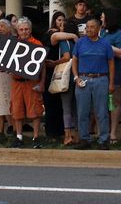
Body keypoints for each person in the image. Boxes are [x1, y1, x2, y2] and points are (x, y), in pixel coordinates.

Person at [70, 17, 114, 150]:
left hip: (101, 79)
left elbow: (111, 64)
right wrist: (76, 77)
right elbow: (74, 60)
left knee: (101, 111)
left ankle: (104, 139)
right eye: (87, 27)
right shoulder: (80, 43)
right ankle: (84, 139)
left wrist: (111, 83)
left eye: (92, 27)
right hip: (83, 78)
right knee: (82, 111)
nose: (88, 29)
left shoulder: (105, 44)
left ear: (99, 28)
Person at [8, 17, 45, 148]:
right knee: (17, 109)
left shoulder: (37, 44)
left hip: (31, 81)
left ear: (30, 30)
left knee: (35, 110)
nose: (24, 32)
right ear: (17, 30)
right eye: (21, 29)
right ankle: (19, 137)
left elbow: (42, 66)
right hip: (16, 82)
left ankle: (36, 138)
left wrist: (42, 83)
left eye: (26, 29)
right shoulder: (12, 44)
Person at [46, 11, 77, 146]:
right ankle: (78, 134)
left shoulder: (64, 42)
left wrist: (54, 63)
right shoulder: (79, 42)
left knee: (66, 108)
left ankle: (67, 135)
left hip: (66, 77)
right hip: (78, 76)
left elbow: (66, 57)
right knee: (76, 107)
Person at [100, 8, 121, 145]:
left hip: (116, 72)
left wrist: (105, 45)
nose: (101, 19)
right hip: (102, 71)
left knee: (114, 102)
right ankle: (103, 131)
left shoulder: (120, 34)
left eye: (103, 17)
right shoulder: (103, 32)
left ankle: (113, 133)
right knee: (102, 103)